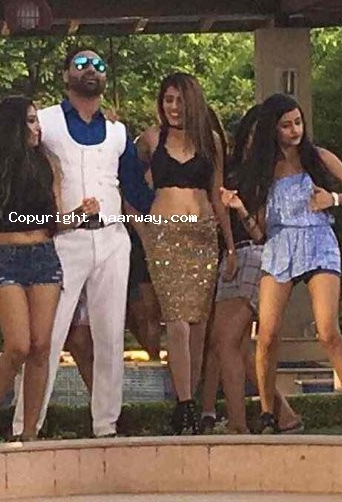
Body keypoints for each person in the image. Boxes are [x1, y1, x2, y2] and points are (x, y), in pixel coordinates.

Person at [11, 47, 154, 439]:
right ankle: (25, 425)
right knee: (48, 335)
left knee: (110, 335)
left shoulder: (118, 131)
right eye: (81, 64)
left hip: (111, 238)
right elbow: (16, 164)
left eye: (99, 65)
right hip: (62, 239)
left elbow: (135, 189)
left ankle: (106, 424)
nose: (91, 69)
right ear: (65, 75)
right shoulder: (44, 122)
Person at [0, 96, 99, 441]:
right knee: (18, 344)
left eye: (37, 121)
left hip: (43, 254)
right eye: (31, 121)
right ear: (13, 126)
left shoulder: (46, 164)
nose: (37, 128)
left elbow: (53, 222)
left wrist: (80, 215)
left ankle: (30, 432)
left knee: (42, 345)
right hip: (2, 257)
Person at [225, 93, 342, 435]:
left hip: (318, 241)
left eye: (298, 122)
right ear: (272, 129)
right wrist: (240, 209)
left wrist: (333, 199)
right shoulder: (262, 170)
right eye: (286, 125)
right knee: (267, 335)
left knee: (327, 331)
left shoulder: (318, 157)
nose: (294, 130)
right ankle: (268, 413)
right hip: (280, 246)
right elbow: (259, 233)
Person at [137, 73, 236, 434]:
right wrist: (142, 228)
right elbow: (127, 185)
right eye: (168, 99)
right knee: (176, 322)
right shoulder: (151, 139)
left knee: (197, 327)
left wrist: (230, 246)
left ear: (192, 102)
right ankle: (185, 405)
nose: (173, 107)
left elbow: (217, 194)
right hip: (165, 236)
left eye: (180, 100)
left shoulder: (210, 141)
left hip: (202, 237)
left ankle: (189, 404)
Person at [202, 105, 302, 434]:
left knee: (226, 340)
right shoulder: (233, 167)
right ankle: (280, 416)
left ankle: (239, 423)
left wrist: (240, 210)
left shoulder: (267, 173)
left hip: (252, 255)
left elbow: (261, 232)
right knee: (234, 346)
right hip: (236, 256)